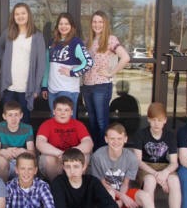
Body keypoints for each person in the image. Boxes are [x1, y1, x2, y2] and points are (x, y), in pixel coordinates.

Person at [131, 102, 184, 208]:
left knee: (174, 180)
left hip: (164, 167)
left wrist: (164, 174)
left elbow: (174, 162)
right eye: (153, 120)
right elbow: (138, 161)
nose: (156, 123)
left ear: (165, 120)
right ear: (148, 119)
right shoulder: (141, 134)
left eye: (160, 120)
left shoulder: (169, 135)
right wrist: (156, 175)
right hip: (146, 167)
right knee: (149, 181)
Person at [82, 11, 130, 148]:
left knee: (101, 121)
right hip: (87, 85)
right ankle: (95, 150)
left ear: (105, 24)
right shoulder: (87, 41)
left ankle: (103, 151)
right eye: (94, 21)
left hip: (101, 86)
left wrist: (111, 73)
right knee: (92, 120)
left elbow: (125, 57)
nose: (97, 24)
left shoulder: (110, 39)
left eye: (100, 22)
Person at [0, 2, 46, 123]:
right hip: (9, 85)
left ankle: (24, 137)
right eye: (17, 14)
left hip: (26, 87)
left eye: (23, 13)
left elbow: (41, 65)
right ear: (13, 17)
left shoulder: (37, 36)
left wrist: (36, 88)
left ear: (28, 15)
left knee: (24, 119)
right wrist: (6, 60)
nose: (20, 16)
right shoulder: (8, 32)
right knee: (8, 119)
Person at [41, 13, 93, 118]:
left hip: (68, 90)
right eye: (61, 24)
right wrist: (44, 86)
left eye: (66, 24)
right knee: (55, 120)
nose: (63, 26)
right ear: (57, 26)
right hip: (52, 90)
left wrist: (72, 72)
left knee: (68, 121)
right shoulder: (52, 42)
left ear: (71, 26)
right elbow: (47, 66)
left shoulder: (76, 42)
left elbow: (88, 62)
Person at [36, 96, 93, 181]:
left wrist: (71, 153)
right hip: (56, 159)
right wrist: (59, 153)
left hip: (73, 157)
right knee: (49, 158)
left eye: (66, 110)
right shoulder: (47, 124)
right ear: (54, 111)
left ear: (71, 112)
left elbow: (88, 143)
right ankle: (56, 184)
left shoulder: (78, 124)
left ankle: (78, 184)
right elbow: (40, 143)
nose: (63, 113)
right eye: (59, 110)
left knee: (84, 156)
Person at [0, 100, 35, 183]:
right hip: (6, 161)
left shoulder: (27, 128)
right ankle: (3, 187)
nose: (13, 119)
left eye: (16, 115)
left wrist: (24, 151)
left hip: (21, 160)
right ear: (4, 116)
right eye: (10, 115)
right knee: (0, 159)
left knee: (28, 161)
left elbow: (32, 153)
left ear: (21, 115)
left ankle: (22, 187)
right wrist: (2, 152)